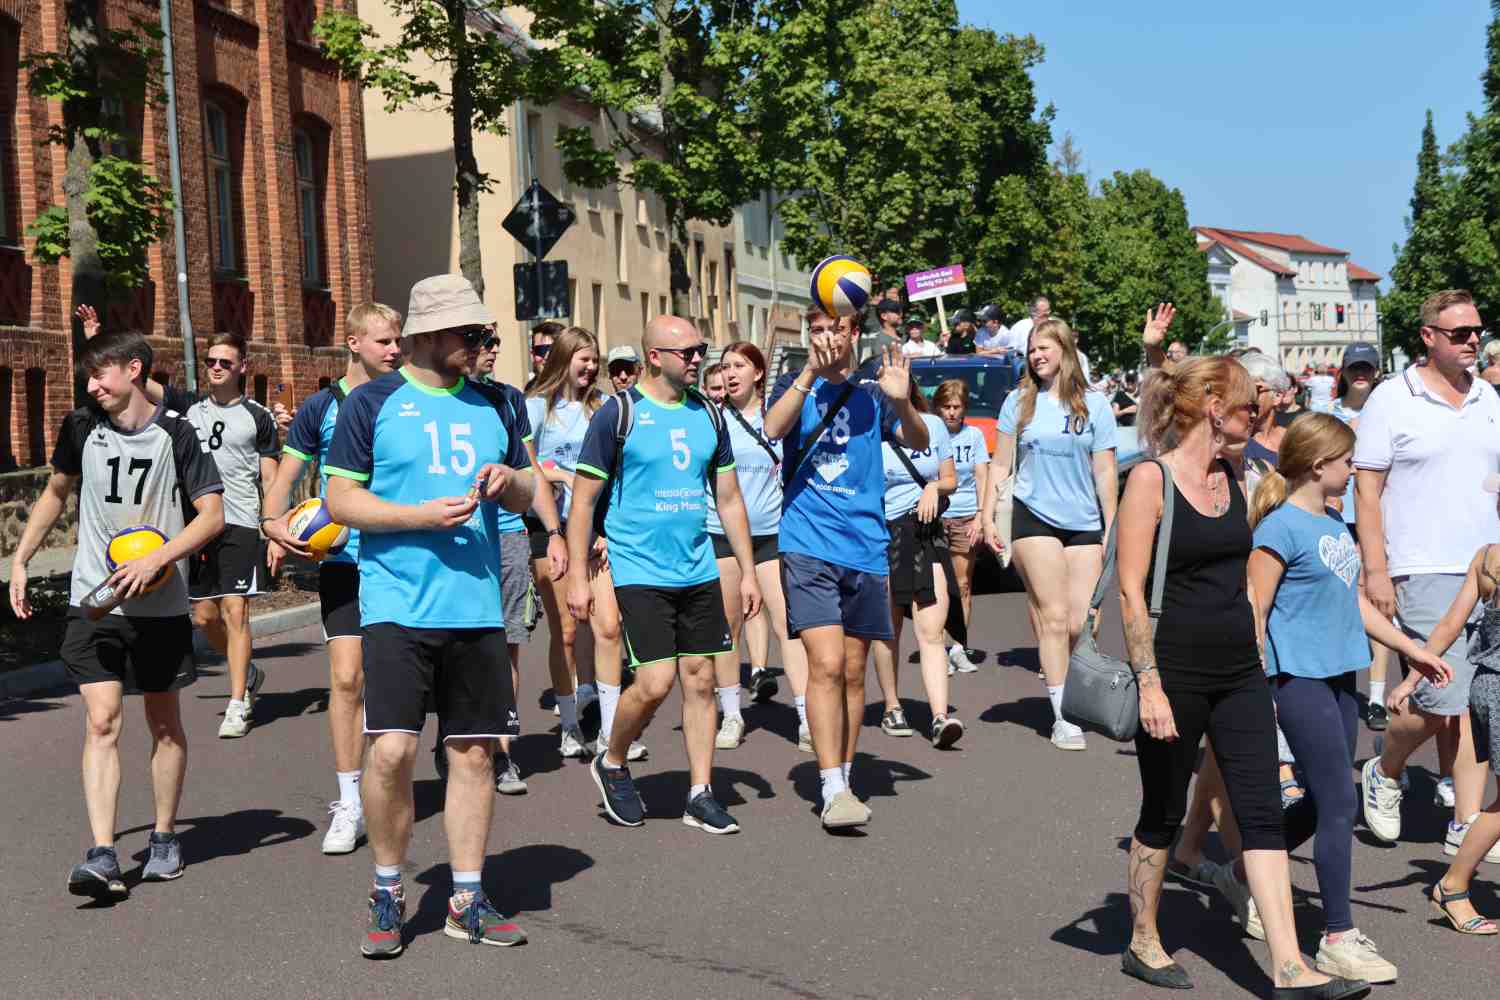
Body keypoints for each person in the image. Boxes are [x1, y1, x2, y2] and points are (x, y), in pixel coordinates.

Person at [1117, 356, 1361, 997]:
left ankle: (1289, 967)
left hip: (1240, 674)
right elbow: (1130, 594)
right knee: (1163, 812)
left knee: (1259, 812)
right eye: (1250, 406)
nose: (1260, 414)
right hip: (1173, 673)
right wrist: (1149, 684)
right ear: (1211, 409)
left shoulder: (1238, 473)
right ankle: (1143, 938)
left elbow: (1253, 575)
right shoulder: (1151, 480)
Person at [324, 274, 536, 957]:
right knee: (391, 750)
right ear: (427, 335)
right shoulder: (372, 404)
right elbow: (340, 502)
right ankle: (388, 888)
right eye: (468, 334)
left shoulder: (497, 404)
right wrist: (417, 516)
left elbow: (534, 492)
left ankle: (467, 898)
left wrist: (514, 483)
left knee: (473, 752)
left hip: (474, 608)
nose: (479, 345)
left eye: (482, 334)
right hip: (396, 606)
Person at [9, 330, 225, 900]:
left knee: (162, 721)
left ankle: (163, 836)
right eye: (88, 377)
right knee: (101, 719)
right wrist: (22, 558)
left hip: (160, 603)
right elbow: (56, 491)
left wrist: (161, 555)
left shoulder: (177, 434)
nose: (92, 385)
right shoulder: (81, 426)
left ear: (134, 370)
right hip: (96, 599)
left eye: (100, 375)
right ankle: (103, 853)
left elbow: (212, 516)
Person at [1247, 413, 1452, 984]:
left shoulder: (1335, 522)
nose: (1353, 469)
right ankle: (1337, 935)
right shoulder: (1278, 529)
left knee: (1321, 800)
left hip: (1342, 679)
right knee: (1340, 801)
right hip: (1299, 681)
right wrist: (1259, 690)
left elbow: (1354, 602)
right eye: (1346, 460)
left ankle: (1250, 878)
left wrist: (1412, 647)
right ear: (1319, 465)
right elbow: (1255, 612)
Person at [569, 316, 763, 834]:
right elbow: (584, 500)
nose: (699, 359)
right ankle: (612, 759)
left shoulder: (709, 415)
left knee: (701, 678)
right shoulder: (620, 414)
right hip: (638, 567)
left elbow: (728, 499)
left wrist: (747, 571)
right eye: (688, 352)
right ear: (655, 357)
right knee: (654, 682)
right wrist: (575, 576)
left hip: (697, 566)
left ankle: (700, 792)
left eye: (702, 349)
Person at [763, 306, 929, 830]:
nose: (825, 338)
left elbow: (922, 442)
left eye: (834, 329)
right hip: (807, 545)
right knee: (827, 664)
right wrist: (809, 372)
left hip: (865, 547)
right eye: (816, 330)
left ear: (854, 332)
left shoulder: (875, 390)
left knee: (855, 672)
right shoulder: (796, 383)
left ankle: (846, 774)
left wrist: (903, 404)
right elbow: (771, 428)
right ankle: (831, 785)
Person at [1356, 289, 1500, 863]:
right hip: (1420, 564)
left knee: (1472, 702)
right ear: (1429, 337)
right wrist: (1376, 568)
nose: (1472, 341)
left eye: (1476, 332)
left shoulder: (1490, 398)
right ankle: (1385, 765)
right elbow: (1367, 490)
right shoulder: (1393, 399)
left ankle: (1465, 822)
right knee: (1441, 698)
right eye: (1460, 332)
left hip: (1485, 569)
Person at [262, 302, 403, 854]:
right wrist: (272, 524)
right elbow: (288, 474)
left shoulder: (408, 401)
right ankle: (349, 801)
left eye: (398, 341)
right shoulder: (321, 406)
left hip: (400, 558)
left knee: (395, 681)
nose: (394, 350)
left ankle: (387, 779)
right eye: (383, 341)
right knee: (347, 679)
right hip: (344, 559)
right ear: (353, 343)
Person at [981, 317, 1118, 751]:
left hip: (1083, 523)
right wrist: (987, 517)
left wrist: (1112, 525)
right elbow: (1000, 465)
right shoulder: (1018, 402)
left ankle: (1070, 691)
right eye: (1032, 350)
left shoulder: (1095, 406)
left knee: (1081, 622)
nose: (1037, 355)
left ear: (1065, 350)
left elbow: (1105, 469)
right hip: (1032, 517)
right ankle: (1062, 715)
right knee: (1055, 617)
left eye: (1045, 347)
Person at [523, 328, 624, 763]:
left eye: (595, 359)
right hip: (550, 530)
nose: (591, 367)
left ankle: (611, 733)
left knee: (606, 627)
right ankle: (568, 727)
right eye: (584, 358)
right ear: (563, 359)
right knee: (565, 629)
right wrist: (560, 477)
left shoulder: (603, 409)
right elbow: (523, 469)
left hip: (597, 528)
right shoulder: (535, 408)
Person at [705, 341, 812, 751]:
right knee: (728, 626)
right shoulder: (711, 419)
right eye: (725, 367)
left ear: (759, 373)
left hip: (771, 533)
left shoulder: (777, 417)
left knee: (789, 624)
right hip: (722, 535)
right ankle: (732, 714)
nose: (731, 374)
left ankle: (804, 715)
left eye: (739, 366)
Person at [181, 334, 280, 739]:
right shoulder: (188, 413)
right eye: (210, 361)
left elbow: (271, 477)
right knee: (204, 616)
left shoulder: (258, 416)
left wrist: (274, 527)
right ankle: (249, 670)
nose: (216, 367)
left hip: (240, 521)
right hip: (199, 524)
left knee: (235, 610)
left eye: (225, 361)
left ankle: (237, 703)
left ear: (242, 367)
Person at [1412, 539, 1500, 934]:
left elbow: (1451, 623)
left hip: (1487, 685)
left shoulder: (1487, 555)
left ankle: (1454, 884)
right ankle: (1453, 885)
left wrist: (1411, 678)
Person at [870, 389, 965, 747]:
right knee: (889, 627)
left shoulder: (933, 425)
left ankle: (940, 717)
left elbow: (950, 479)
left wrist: (932, 487)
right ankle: (892, 706)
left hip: (926, 533)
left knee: (931, 628)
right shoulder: (870, 433)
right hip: (884, 535)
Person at [464, 331, 535, 795]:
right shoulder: (443, 397)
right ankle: (458, 737)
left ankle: (503, 752)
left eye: (496, 339)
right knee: (462, 646)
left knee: (507, 643)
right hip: (460, 535)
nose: (493, 347)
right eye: (483, 339)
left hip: (508, 534)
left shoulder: (510, 399)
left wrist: (556, 531)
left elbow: (530, 472)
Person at [1316, 343, 1395, 733]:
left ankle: (1377, 695)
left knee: (1380, 603)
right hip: (1336, 518)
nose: (1360, 374)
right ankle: (1338, 681)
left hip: (1377, 518)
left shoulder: (1390, 409)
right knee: (1340, 603)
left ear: (1377, 370)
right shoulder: (1328, 414)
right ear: (1343, 373)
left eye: (1366, 368)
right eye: (1354, 368)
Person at [934, 379, 989, 674]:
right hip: (936, 517)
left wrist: (982, 515)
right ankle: (938, 650)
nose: (952, 412)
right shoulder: (930, 433)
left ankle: (958, 647)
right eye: (947, 407)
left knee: (963, 585)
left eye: (957, 407)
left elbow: (982, 475)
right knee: (938, 587)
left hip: (967, 515)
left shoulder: (975, 436)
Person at [524, 321, 563, 392]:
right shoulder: (528, 393)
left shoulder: (580, 391)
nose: (547, 356)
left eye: (553, 350)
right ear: (532, 355)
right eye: (541, 350)